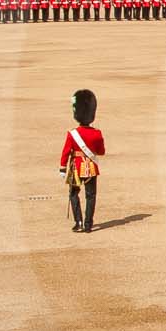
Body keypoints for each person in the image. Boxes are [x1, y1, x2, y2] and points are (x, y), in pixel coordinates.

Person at [62, 89, 106, 233]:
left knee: (74, 194)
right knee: (91, 195)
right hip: (91, 167)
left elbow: (66, 152)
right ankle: (88, 224)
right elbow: (101, 152)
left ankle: (78, 222)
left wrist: (63, 168)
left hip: (76, 167)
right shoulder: (97, 133)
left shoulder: (72, 134)